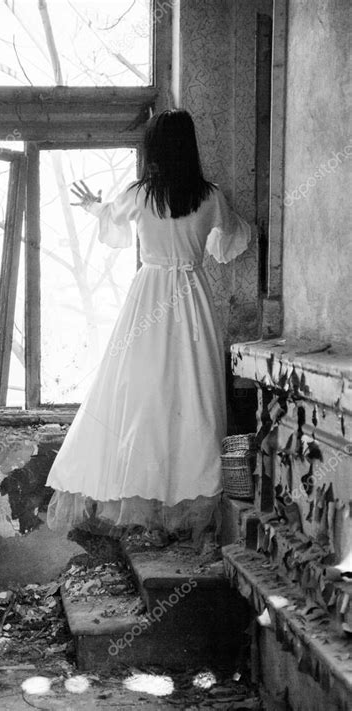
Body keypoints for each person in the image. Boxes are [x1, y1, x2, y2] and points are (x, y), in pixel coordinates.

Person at [46, 109, 251, 549]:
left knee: (141, 395)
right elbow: (230, 241)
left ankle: (145, 503)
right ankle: (187, 495)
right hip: (192, 297)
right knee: (193, 393)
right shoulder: (210, 196)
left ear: (154, 149)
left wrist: (92, 206)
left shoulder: (141, 195)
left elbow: (112, 221)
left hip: (150, 296)